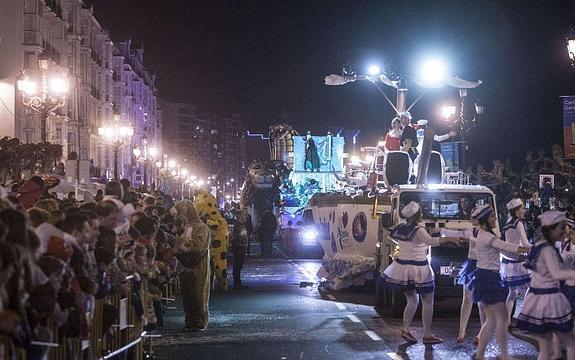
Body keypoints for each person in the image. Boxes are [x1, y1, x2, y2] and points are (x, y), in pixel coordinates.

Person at [380, 201, 462, 344]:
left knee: (412, 300)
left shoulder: (401, 228)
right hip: (419, 268)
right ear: (419, 215)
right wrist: (449, 238)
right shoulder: (419, 230)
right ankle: (427, 334)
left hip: (403, 267)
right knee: (428, 301)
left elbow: (393, 237)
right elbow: (431, 241)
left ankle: (405, 329)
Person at [516, 211, 575, 360]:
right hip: (550, 301)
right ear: (551, 229)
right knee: (570, 343)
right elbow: (556, 273)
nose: (564, 231)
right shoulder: (548, 249)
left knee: (545, 349)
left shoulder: (540, 245)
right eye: (561, 228)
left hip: (539, 300)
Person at [473, 205, 529, 360]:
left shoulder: (486, 234)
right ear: (484, 220)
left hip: (486, 277)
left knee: (491, 319)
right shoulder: (487, 237)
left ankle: (480, 354)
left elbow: (505, 251)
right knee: (502, 318)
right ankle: (504, 355)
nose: (495, 219)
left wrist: (523, 255)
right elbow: (506, 247)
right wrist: (527, 249)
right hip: (488, 278)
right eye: (492, 217)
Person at [434, 209, 485, 344]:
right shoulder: (471, 231)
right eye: (471, 216)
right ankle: (462, 332)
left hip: (484, 267)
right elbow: (458, 233)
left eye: (473, 216)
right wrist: (441, 231)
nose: (470, 218)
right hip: (471, 265)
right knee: (467, 299)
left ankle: (482, 334)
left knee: (481, 302)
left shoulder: (488, 233)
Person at [170, 200, 211, 331]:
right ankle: (190, 320)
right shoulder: (186, 227)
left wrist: (181, 244)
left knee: (198, 295)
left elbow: (199, 245)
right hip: (185, 266)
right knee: (187, 296)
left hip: (198, 266)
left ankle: (200, 320)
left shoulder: (201, 227)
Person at [500, 198, 531, 326]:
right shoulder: (518, 223)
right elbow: (525, 243)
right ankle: (525, 317)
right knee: (533, 287)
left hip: (508, 260)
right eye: (522, 208)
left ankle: (507, 321)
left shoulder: (508, 223)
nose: (524, 210)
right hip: (519, 260)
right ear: (516, 210)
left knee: (512, 292)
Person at [231, 212, 249, 289]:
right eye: (244, 215)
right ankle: (237, 283)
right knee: (238, 265)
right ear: (239, 216)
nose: (245, 217)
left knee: (238, 265)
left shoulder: (240, 225)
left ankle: (238, 282)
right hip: (239, 247)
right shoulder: (238, 225)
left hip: (240, 246)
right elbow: (240, 236)